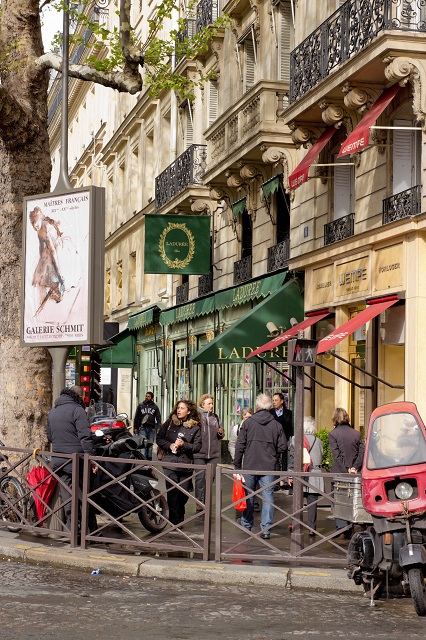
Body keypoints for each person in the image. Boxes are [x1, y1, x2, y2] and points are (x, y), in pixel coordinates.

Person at [234, 393, 287, 539]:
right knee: (268, 496)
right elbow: (283, 446)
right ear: (270, 407)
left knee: (248, 495)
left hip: (250, 464)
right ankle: (266, 529)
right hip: (268, 466)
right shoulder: (276, 424)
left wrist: (237, 465)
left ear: (257, 406)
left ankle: (247, 524)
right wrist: (273, 454)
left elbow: (240, 446)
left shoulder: (248, 423)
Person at [46, 386, 97, 537]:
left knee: (68, 497)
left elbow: (49, 436)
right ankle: (88, 532)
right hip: (76, 460)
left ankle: (71, 531)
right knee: (83, 496)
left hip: (58, 460)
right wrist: (92, 459)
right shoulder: (77, 410)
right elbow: (85, 437)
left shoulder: (53, 411)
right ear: (80, 397)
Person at [156, 400, 202, 526]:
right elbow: (159, 439)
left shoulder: (195, 427)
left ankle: (179, 515)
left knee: (183, 494)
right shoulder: (170, 423)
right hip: (169, 462)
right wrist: (169, 445)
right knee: (172, 492)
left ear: (188, 411)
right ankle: (174, 521)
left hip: (185, 464)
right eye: (178, 408)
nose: (179, 410)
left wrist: (184, 445)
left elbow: (197, 446)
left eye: (182, 408)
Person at [328, 407, 365, 535]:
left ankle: (341, 527)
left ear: (335, 418)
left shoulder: (333, 434)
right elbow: (362, 451)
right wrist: (355, 467)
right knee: (352, 497)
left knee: (338, 497)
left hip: (339, 470)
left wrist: (347, 468)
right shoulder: (356, 433)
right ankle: (350, 525)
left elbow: (336, 455)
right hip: (355, 472)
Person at [288, 416, 324, 540]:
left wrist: (290, 473)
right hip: (315, 473)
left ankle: (296, 525)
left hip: (300, 473)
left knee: (297, 500)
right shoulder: (318, 441)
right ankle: (311, 528)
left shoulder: (295, 440)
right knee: (312, 502)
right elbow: (321, 455)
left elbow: (292, 458)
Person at [193, 394, 224, 510]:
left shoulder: (215, 417)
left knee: (210, 478)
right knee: (200, 478)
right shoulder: (197, 417)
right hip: (199, 453)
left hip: (213, 453)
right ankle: (199, 502)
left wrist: (221, 432)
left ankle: (206, 500)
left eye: (212, 403)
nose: (211, 405)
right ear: (202, 405)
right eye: (209, 403)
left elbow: (221, 433)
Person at [270, 392, 293, 489]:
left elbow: (291, 428)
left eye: (276, 400)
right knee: (275, 461)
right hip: (273, 440)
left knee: (285, 460)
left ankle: (284, 481)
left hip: (285, 440)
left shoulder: (289, 413)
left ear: (282, 401)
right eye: (273, 400)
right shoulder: (270, 412)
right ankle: (276, 481)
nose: (274, 402)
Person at [134, 391, 162, 460]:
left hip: (152, 428)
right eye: (146, 396)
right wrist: (135, 427)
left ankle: (149, 459)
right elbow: (136, 417)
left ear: (152, 398)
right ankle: (143, 460)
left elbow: (158, 418)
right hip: (142, 428)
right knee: (143, 443)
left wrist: (159, 427)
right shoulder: (140, 406)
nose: (147, 397)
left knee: (150, 444)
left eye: (148, 396)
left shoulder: (155, 407)